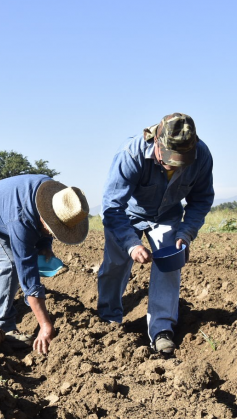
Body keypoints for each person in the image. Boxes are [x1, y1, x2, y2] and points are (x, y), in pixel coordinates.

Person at [97, 113, 214, 354]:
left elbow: (201, 199)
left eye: (181, 160)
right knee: (115, 265)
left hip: (167, 216)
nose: (174, 165)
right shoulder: (131, 153)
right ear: (157, 144)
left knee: (169, 265)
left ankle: (162, 330)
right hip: (126, 216)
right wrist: (131, 244)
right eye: (170, 159)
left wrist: (186, 232)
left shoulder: (201, 156)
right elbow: (111, 207)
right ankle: (109, 320)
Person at [0, 174, 90, 355]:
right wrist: (45, 324)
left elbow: (43, 227)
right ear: (45, 216)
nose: (52, 233)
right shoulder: (21, 219)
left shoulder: (51, 194)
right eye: (53, 230)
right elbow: (28, 278)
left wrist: (44, 244)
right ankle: (1, 326)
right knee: (8, 262)